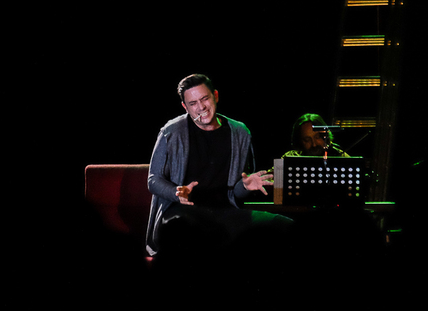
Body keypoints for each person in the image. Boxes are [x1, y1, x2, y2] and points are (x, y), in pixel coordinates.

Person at [145, 74, 290, 257]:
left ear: (216, 96)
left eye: (205, 98)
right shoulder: (171, 131)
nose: (201, 107)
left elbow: (236, 192)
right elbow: (153, 180)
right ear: (185, 106)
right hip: (181, 212)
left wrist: (245, 187)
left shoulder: (240, 132)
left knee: (285, 226)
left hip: (225, 211)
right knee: (191, 235)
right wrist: (176, 192)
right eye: (193, 103)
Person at [282, 113, 350, 158]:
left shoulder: (340, 155)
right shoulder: (290, 157)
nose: (314, 144)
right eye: (307, 140)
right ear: (299, 141)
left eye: (317, 137)